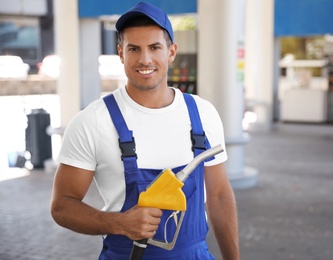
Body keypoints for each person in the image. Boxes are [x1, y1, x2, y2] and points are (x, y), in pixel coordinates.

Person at [50, 2, 239, 259]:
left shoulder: (203, 114)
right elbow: (62, 206)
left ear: (171, 52)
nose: (145, 59)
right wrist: (118, 223)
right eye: (134, 49)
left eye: (154, 47)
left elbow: (218, 196)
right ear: (121, 53)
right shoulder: (92, 121)